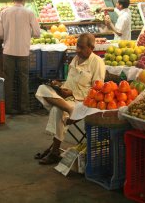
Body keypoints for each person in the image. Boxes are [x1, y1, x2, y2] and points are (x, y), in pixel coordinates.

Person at [35, 33, 106, 165]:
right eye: (77, 46)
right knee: (41, 89)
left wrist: (72, 93)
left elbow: (98, 91)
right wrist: (59, 86)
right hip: (65, 100)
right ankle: (68, 109)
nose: (78, 50)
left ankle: (55, 152)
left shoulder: (97, 63)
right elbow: (70, 81)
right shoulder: (76, 59)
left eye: (81, 47)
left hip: (82, 102)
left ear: (91, 47)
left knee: (58, 111)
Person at [0, 0, 41, 115]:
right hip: (23, 51)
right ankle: (24, 108)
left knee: (8, 79)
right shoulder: (29, 13)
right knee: (23, 79)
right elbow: (37, 33)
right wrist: (27, 33)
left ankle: (8, 108)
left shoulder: (4, 12)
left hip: (8, 50)